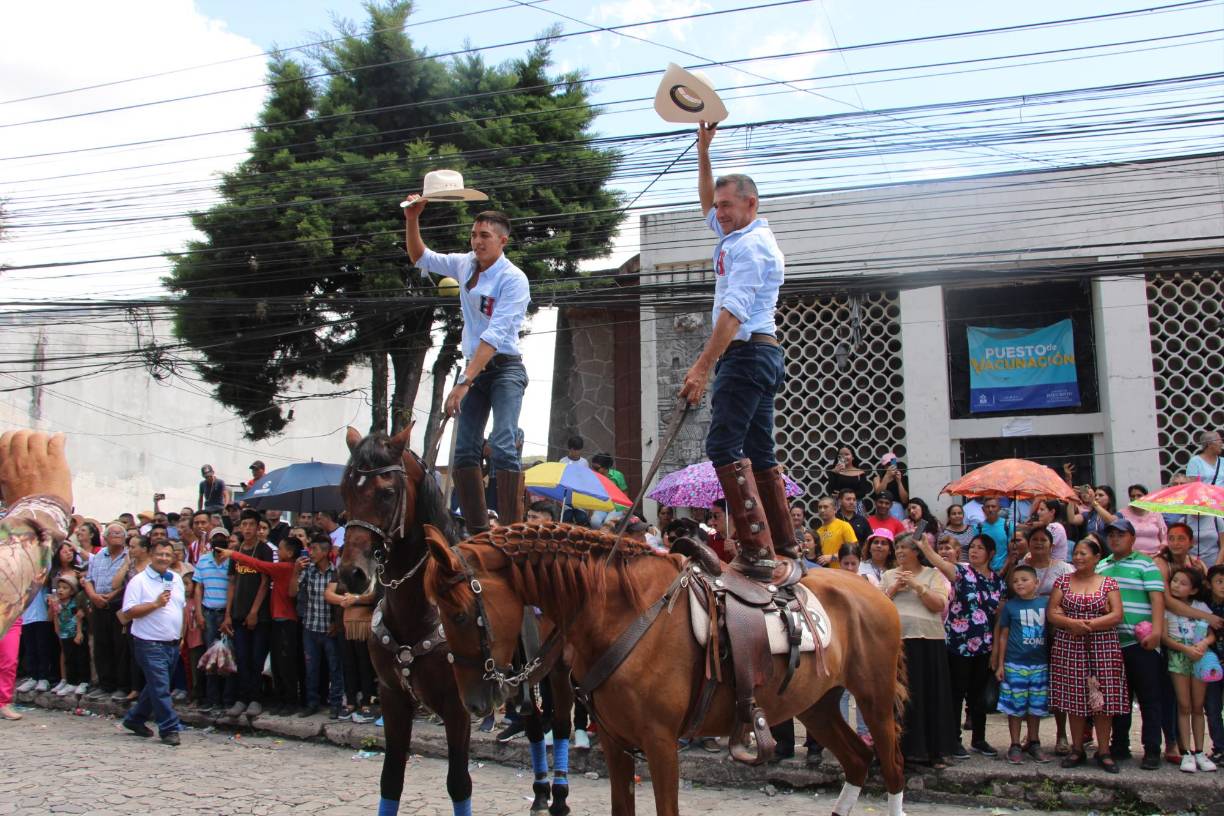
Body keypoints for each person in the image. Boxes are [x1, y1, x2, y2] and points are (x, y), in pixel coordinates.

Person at [678, 120, 793, 580]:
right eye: (719, 206)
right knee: (759, 451)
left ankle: (758, 549)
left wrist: (703, 367)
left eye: (728, 206)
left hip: (745, 354)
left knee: (723, 445)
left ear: (751, 204)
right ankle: (783, 542)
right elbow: (706, 199)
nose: (718, 212)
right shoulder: (736, 235)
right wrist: (704, 152)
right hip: (760, 355)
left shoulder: (753, 247)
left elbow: (733, 314)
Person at [404, 198, 530, 535]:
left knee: (503, 443)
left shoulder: (514, 279)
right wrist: (412, 218)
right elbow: (421, 257)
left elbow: (494, 335)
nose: (476, 241)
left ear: (502, 240)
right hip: (474, 370)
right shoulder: (465, 264)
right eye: (473, 234)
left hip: (504, 369)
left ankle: (511, 530)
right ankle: (477, 532)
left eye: (485, 235)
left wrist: (463, 382)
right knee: (463, 451)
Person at [917, 531, 1003, 759]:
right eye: (972, 546)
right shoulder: (963, 572)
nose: (973, 551)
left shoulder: (997, 581)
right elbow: (939, 563)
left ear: (991, 554)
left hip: (984, 645)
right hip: (958, 644)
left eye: (980, 548)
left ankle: (979, 738)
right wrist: (925, 547)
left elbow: (998, 617)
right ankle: (953, 740)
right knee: (956, 693)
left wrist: (995, 650)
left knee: (978, 694)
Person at [1048, 537, 1127, 772]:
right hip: (1069, 645)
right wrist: (1070, 624)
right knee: (1074, 700)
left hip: (1103, 645)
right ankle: (1077, 749)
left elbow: (1116, 615)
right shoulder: (1063, 581)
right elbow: (1052, 612)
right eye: (1077, 553)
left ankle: (1104, 751)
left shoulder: (1108, 583)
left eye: (1084, 553)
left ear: (1096, 557)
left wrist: (1087, 624)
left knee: (1103, 700)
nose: (1079, 557)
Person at [1097, 517, 1167, 769]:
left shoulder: (1145, 564)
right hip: (1112, 642)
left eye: (1121, 534)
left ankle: (1151, 749)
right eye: (1111, 535)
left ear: (1132, 538)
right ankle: (1119, 745)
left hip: (1142, 642)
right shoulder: (1101, 566)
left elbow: (1157, 599)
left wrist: (1157, 631)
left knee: (1149, 698)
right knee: (1118, 698)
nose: (1115, 539)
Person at [883, 533, 954, 769]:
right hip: (897, 642)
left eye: (905, 548)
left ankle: (935, 751)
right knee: (900, 697)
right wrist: (893, 589)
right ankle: (899, 750)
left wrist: (916, 586)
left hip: (928, 641)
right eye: (898, 548)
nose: (900, 552)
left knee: (929, 694)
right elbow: (876, 606)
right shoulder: (887, 575)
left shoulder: (932, 574)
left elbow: (939, 605)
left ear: (917, 552)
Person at [215, 535, 302, 716]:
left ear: (290, 553)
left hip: (285, 620)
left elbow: (259, 565)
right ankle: (282, 701)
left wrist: (233, 553)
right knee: (278, 664)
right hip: (277, 619)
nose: (277, 551)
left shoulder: (285, 567)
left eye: (281, 548)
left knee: (285, 665)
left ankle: (290, 702)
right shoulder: (288, 568)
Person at [118, 539, 186, 746]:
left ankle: (134, 719)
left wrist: (180, 635)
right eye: (160, 554)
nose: (164, 558)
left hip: (172, 642)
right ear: (150, 554)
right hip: (149, 642)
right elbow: (128, 612)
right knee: (160, 686)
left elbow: (180, 608)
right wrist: (155, 604)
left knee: (156, 687)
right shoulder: (138, 581)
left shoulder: (175, 579)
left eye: (168, 554)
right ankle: (169, 728)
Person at [993, 566, 1051, 764]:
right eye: (1015, 580)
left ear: (1036, 582)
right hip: (1014, 664)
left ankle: (1034, 742)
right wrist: (1000, 664)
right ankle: (1015, 744)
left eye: (1024, 579)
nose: (1019, 583)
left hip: (1040, 664)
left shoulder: (1045, 604)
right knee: (1015, 706)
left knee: (1036, 707)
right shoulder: (1010, 607)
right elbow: (1003, 636)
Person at [1163, 566, 1218, 772]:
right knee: (1184, 705)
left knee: (1198, 706)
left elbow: (1212, 633)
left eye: (1182, 583)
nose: (1176, 585)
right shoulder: (1168, 608)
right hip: (1178, 657)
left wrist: (1203, 644)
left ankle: (1200, 751)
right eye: (1174, 581)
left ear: (1194, 590)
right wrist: (1184, 649)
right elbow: (1165, 637)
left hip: (1200, 658)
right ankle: (1185, 751)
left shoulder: (1201, 607)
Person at [223, 509, 273, 719]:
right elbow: (232, 582)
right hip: (237, 613)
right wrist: (228, 613)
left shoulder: (264, 550)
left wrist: (253, 612)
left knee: (256, 658)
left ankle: (256, 698)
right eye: (244, 525)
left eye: (252, 525)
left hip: (259, 615)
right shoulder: (237, 551)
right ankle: (242, 698)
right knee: (241, 658)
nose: (248, 529)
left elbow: (264, 582)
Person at [294, 534, 344, 718]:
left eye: (314, 549)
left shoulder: (336, 573)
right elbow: (293, 592)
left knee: (335, 668)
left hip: (329, 628)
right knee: (311, 668)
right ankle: (312, 703)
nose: (311, 553)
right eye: (310, 548)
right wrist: (295, 571)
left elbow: (340, 602)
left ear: (325, 552)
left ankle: (336, 704)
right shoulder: (308, 571)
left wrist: (337, 623)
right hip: (310, 626)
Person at [82, 522, 130, 701]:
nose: (117, 536)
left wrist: (110, 596)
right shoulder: (99, 555)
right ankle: (105, 684)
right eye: (113, 533)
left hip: (118, 605)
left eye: (120, 533)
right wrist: (94, 596)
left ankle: (122, 686)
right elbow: (88, 579)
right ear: (106, 537)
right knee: (101, 646)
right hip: (98, 604)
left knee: (120, 646)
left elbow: (127, 581)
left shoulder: (128, 556)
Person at [325, 568, 378, 722]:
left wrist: (355, 599)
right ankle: (350, 702)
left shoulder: (370, 571)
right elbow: (328, 594)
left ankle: (366, 703)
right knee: (348, 664)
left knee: (365, 664)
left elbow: (374, 595)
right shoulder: (340, 572)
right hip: (343, 626)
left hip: (363, 625)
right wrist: (345, 600)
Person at [193, 529, 234, 714]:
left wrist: (228, 615)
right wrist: (199, 614)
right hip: (209, 613)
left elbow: (233, 587)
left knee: (228, 657)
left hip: (225, 613)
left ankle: (227, 699)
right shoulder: (203, 560)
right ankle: (212, 699)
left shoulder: (232, 560)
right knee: (210, 657)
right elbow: (198, 588)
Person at [1186, 431, 1224, 566]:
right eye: (1219, 441)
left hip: (1222, 506)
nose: (1222, 444)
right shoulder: (1195, 461)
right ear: (1209, 444)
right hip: (1204, 507)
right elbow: (1192, 486)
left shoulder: (1223, 462)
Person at [52, 574, 88, 697]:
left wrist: (79, 632)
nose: (60, 590)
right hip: (64, 634)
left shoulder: (75, 603)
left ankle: (83, 681)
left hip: (75, 634)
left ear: (72, 591)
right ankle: (71, 682)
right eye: (59, 588)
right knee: (69, 658)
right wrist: (57, 631)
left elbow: (79, 618)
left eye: (65, 588)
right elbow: (56, 619)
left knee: (81, 657)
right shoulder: (57, 603)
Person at [1205, 564, 1224, 763]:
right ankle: (1219, 747)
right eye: (1219, 581)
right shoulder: (1204, 606)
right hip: (1210, 664)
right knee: (1212, 707)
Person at [813, 496, 857, 568]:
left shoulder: (844, 526)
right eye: (820, 507)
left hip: (841, 572)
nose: (822, 510)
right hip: (824, 572)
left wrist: (832, 557)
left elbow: (854, 550)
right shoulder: (818, 531)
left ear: (835, 509)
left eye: (825, 507)